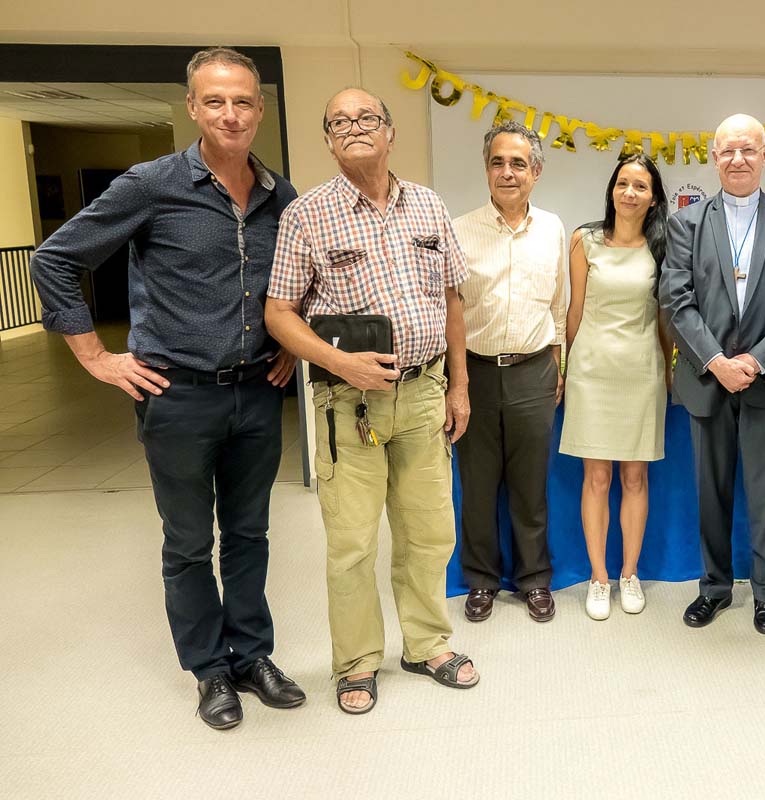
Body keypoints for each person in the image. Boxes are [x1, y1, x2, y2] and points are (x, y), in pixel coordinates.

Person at [29, 47, 304, 730]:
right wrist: (96, 357)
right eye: (215, 101)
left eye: (242, 101)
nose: (231, 113)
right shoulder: (151, 184)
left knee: (250, 532)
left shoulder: (282, 195)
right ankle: (209, 670)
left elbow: (297, 284)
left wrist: (286, 353)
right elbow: (54, 260)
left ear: (260, 109)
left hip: (257, 395)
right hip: (176, 396)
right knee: (188, 543)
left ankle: (252, 655)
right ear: (193, 107)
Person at [264, 87, 478, 715]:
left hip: (423, 394)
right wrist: (337, 361)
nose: (353, 127)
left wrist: (459, 386)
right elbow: (279, 313)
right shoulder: (307, 214)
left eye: (366, 118)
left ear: (390, 132)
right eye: (339, 122)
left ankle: (427, 643)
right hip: (345, 407)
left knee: (430, 532)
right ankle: (356, 662)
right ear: (328, 141)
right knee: (352, 542)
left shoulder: (429, 206)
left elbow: (453, 301)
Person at [659, 113, 765, 634]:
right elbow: (676, 302)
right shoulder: (686, 223)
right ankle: (714, 588)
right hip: (707, 380)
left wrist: (759, 359)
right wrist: (716, 361)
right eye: (728, 151)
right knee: (711, 490)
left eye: (748, 150)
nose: (738, 159)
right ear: (713, 157)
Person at [452, 121, 568, 623]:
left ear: (535, 172)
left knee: (529, 483)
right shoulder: (460, 229)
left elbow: (559, 307)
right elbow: (451, 309)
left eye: (518, 163)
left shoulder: (554, 229)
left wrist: (558, 364)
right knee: (477, 484)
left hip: (534, 370)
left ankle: (534, 579)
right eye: (498, 162)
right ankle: (480, 580)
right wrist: (454, 381)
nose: (507, 172)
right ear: (486, 169)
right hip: (475, 371)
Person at [560, 153, 673, 620]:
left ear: (653, 198)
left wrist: (668, 368)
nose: (629, 192)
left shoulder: (664, 245)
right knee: (597, 477)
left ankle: (629, 573)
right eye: (622, 183)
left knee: (634, 477)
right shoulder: (584, 241)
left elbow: (666, 317)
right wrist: (567, 368)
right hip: (592, 371)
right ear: (611, 189)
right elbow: (575, 310)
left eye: (640, 186)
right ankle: (599, 578)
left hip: (642, 371)